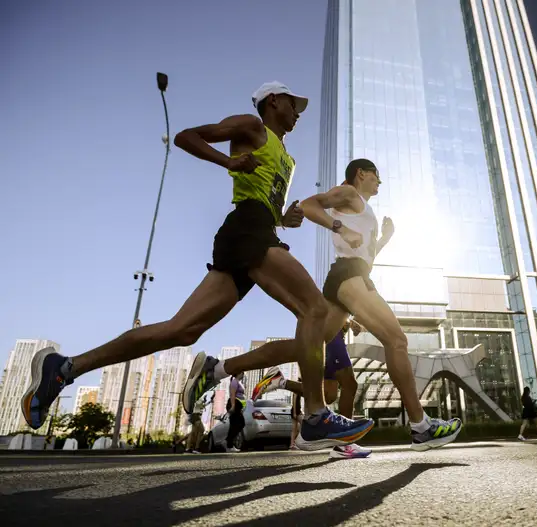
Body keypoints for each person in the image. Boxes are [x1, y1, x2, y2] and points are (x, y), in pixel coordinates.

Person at [21, 81, 372, 451]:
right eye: (292, 104)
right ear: (273, 101)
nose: (298, 112)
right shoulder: (251, 127)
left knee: (181, 330)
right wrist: (227, 160)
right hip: (246, 231)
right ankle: (316, 416)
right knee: (314, 309)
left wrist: (284, 218)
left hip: (257, 231)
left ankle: (65, 368)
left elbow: (260, 196)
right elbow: (187, 137)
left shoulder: (287, 157)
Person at [301, 158, 463, 451]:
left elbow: (367, 256)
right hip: (349, 275)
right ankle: (421, 427)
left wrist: (385, 238)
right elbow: (309, 205)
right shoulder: (349, 192)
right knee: (397, 340)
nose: (379, 182)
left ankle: (225, 367)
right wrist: (340, 228)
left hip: (348, 275)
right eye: (377, 176)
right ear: (361, 173)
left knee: (312, 344)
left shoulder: (361, 206)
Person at [254, 318, 372, 458]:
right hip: (333, 334)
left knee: (328, 395)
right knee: (350, 384)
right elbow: (333, 304)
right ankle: (344, 444)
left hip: (332, 336)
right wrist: (349, 321)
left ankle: (281, 382)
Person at [225, 373, 247, 453]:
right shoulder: (234, 381)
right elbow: (232, 394)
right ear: (238, 373)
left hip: (238, 405)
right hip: (234, 403)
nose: (243, 374)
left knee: (240, 423)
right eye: (242, 372)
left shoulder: (239, 382)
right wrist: (233, 405)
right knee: (236, 424)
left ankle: (229, 443)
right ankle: (229, 444)